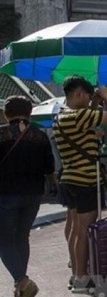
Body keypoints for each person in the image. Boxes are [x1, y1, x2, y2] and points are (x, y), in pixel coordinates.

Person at [53, 76, 107, 294]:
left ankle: (76, 274)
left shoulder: (61, 116)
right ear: (78, 93)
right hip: (85, 180)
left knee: (75, 229)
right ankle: (82, 278)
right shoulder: (79, 115)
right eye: (87, 96)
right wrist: (106, 97)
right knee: (84, 230)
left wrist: (94, 102)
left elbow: (88, 121)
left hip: (70, 178)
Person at [0, 95, 55, 297]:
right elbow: (50, 167)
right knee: (22, 237)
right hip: (33, 195)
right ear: (30, 113)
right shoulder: (40, 136)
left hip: (5, 195)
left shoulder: (1, 134)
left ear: (6, 115)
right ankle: (20, 287)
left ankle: (21, 280)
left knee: (4, 241)